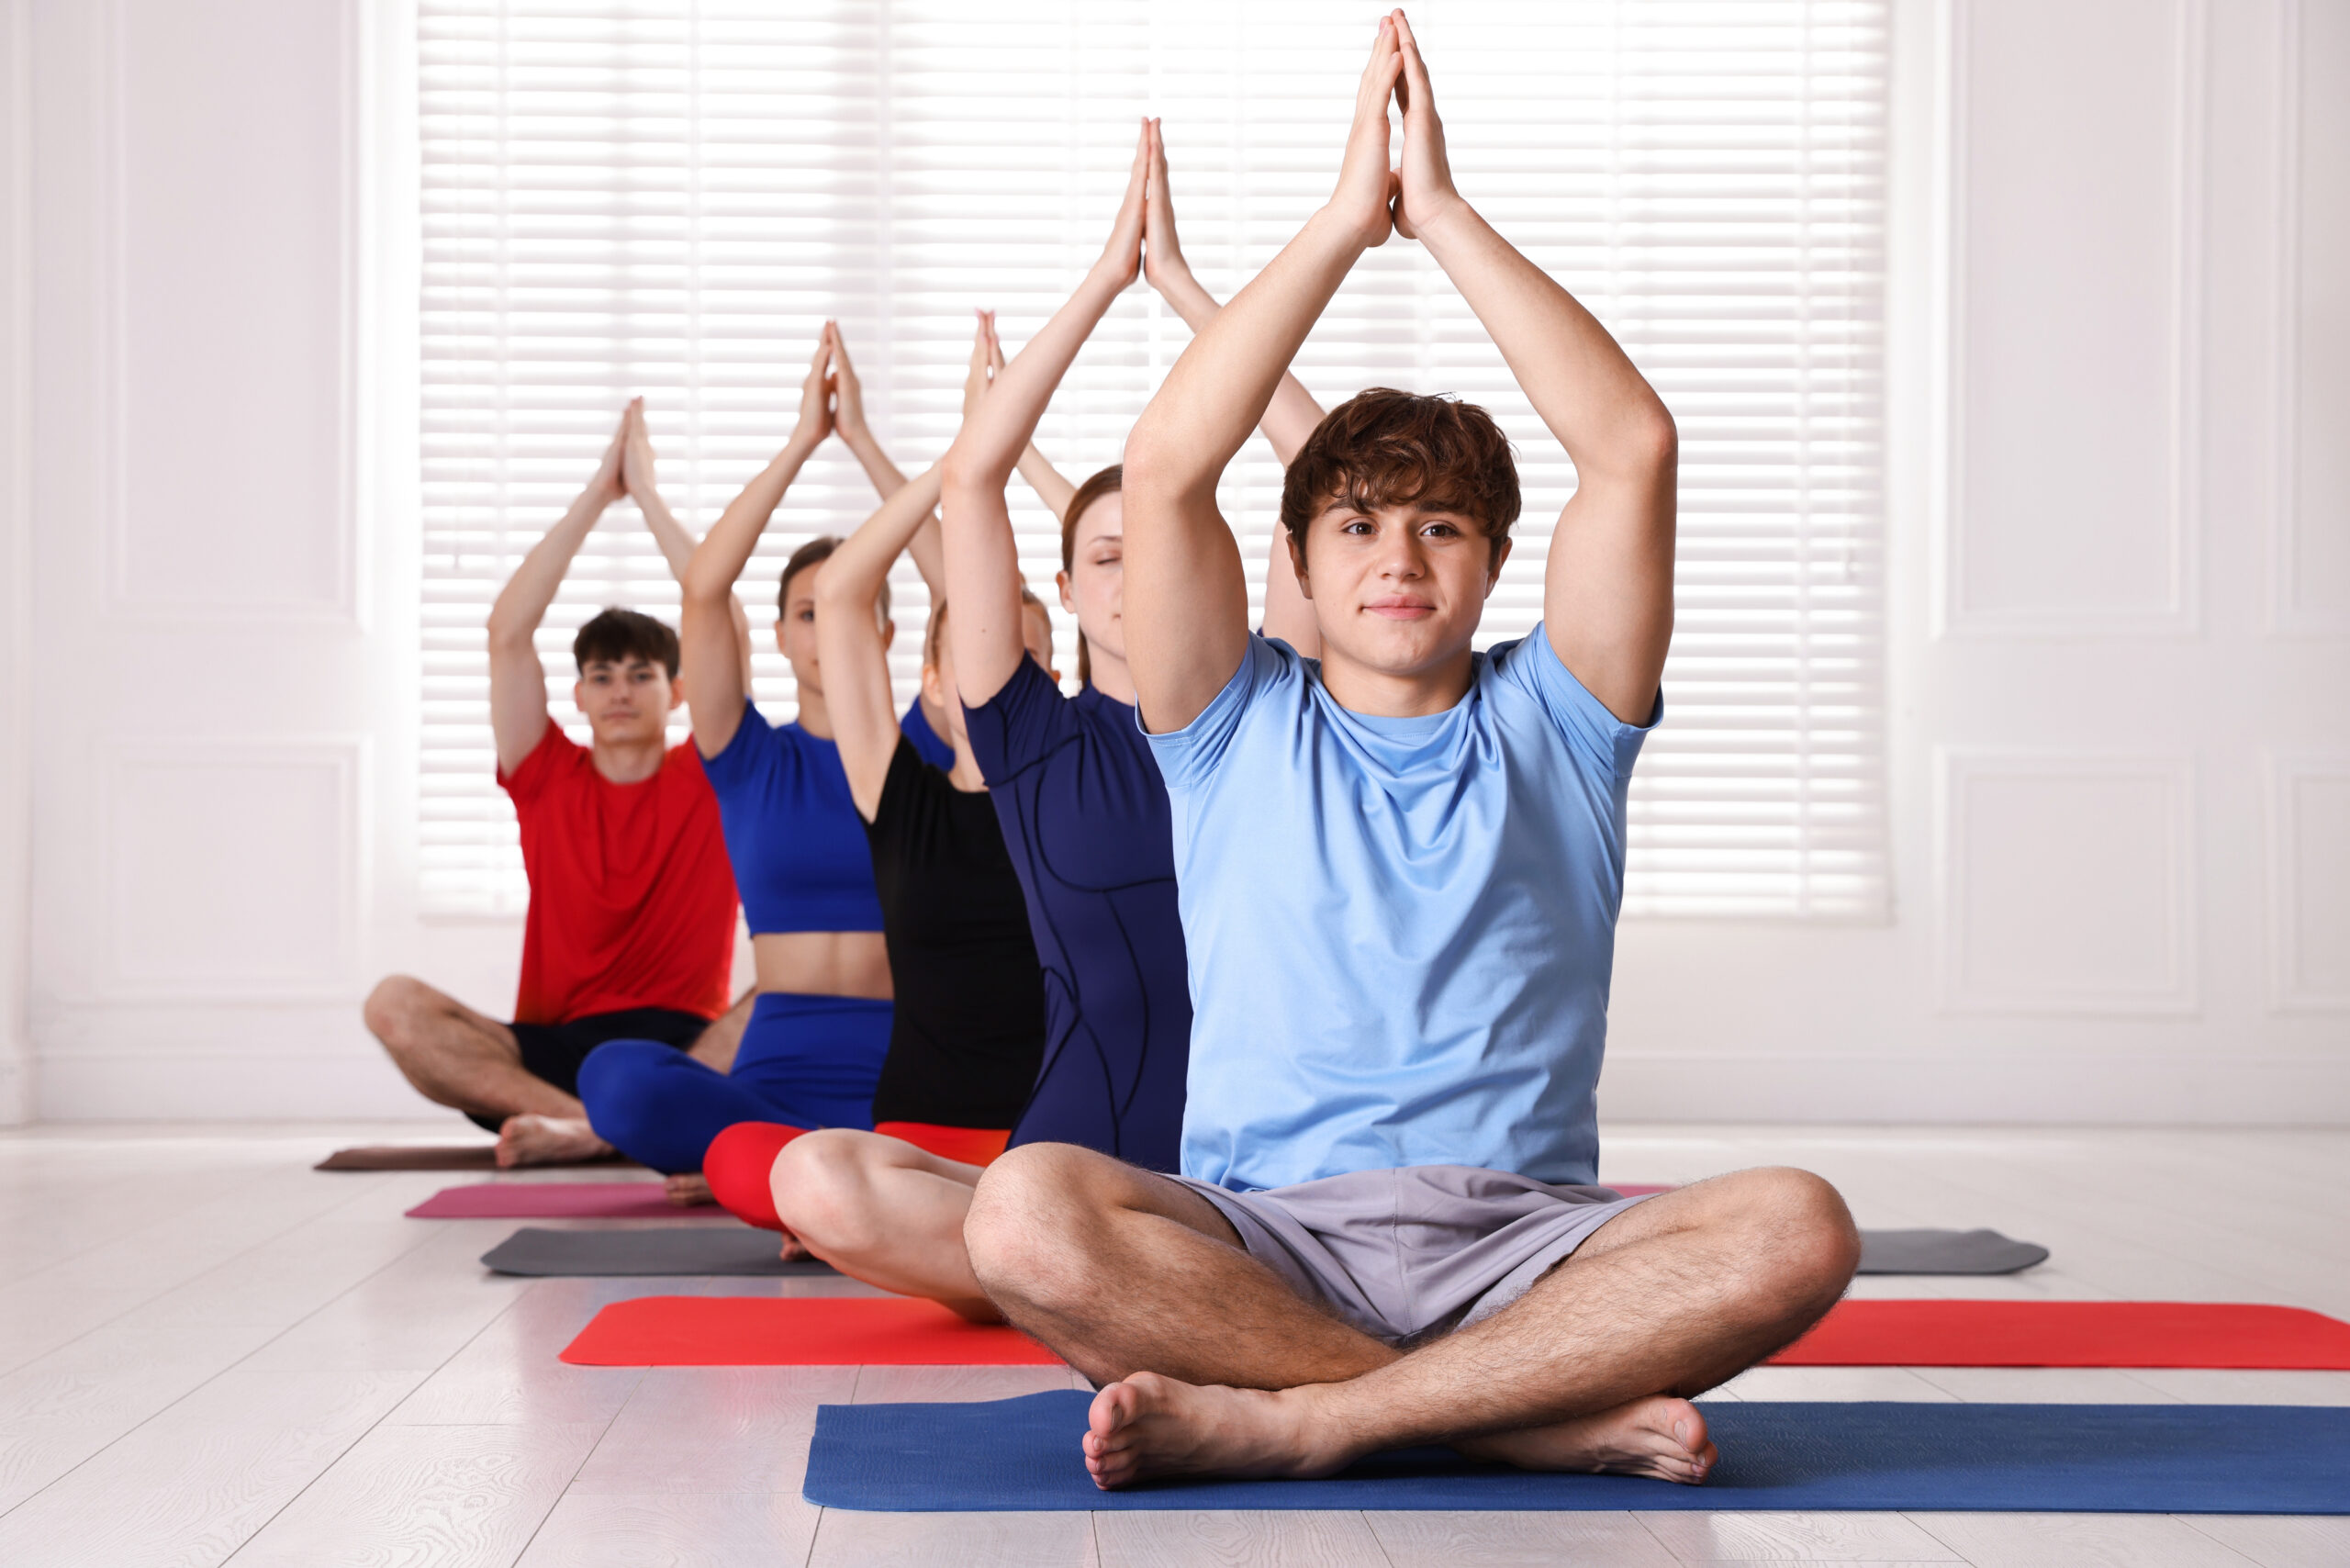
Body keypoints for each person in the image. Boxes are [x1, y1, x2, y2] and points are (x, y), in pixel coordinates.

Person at [961, 12, 1861, 1490]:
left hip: (1529, 1243)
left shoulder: (1561, 721)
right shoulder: (1227, 720)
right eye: (1359, 526)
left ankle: (1319, 1418)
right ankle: (1513, 1416)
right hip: (1267, 1239)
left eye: (1439, 524)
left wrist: (1436, 215)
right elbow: (1173, 460)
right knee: (1020, 1215)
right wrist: (1336, 224)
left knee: (1799, 1224)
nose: (1399, 558)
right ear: (1298, 570)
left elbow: (1631, 444)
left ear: (1494, 562)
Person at [744, 121, 1329, 1315]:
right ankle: (1099, 1279)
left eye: (1168, 550)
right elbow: (971, 480)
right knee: (816, 1175)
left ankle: (1133, 1292)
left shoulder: (1264, 712)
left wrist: (1184, 293)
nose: (1138, 577)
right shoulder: (1024, 734)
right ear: (1064, 592)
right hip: (1061, 1176)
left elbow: (1324, 468)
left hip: (1244, 1181)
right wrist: (1108, 278)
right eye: (1108, 557)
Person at [699, 317, 1069, 1280]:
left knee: (1027, 1198)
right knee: (753, 1160)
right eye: (986, 647)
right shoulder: (896, 789)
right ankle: (1005, 1258)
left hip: (1056, 1140)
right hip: (921, 1137)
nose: (1006, 667)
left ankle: (958, 1252)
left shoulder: (1085, 790)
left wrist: (998, 458)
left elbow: (1110, 587)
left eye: (1029, 653)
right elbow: (853, 590)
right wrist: (958, 456)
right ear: (935, 680)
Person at [573, 327, 989, 1181]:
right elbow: (702, 589)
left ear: (886, 630)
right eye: (807, 613)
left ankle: (803, 1184)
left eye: (847, 606)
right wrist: (804, 443)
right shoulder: (747, 754)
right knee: (614, 1076)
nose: (826, 628)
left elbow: (967, 595)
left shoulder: (925, 740)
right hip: (773, 1080)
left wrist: (874, 447)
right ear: (780, 636)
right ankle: (815, 1183)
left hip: (910, 1076)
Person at [363, 401, 752, 1167]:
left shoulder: (712, 770)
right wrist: (595, 498)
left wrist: (648, 498)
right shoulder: (545, 776)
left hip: (683, 1046)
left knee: (788, 995)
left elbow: (726, 625)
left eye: (642, 675)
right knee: (393, 1005)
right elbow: (507, 631)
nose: (619, 691)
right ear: (576, 696)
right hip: (552, 1054)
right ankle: (594, 1123)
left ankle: (594, 1130)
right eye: (600, 676)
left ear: (677, 692)